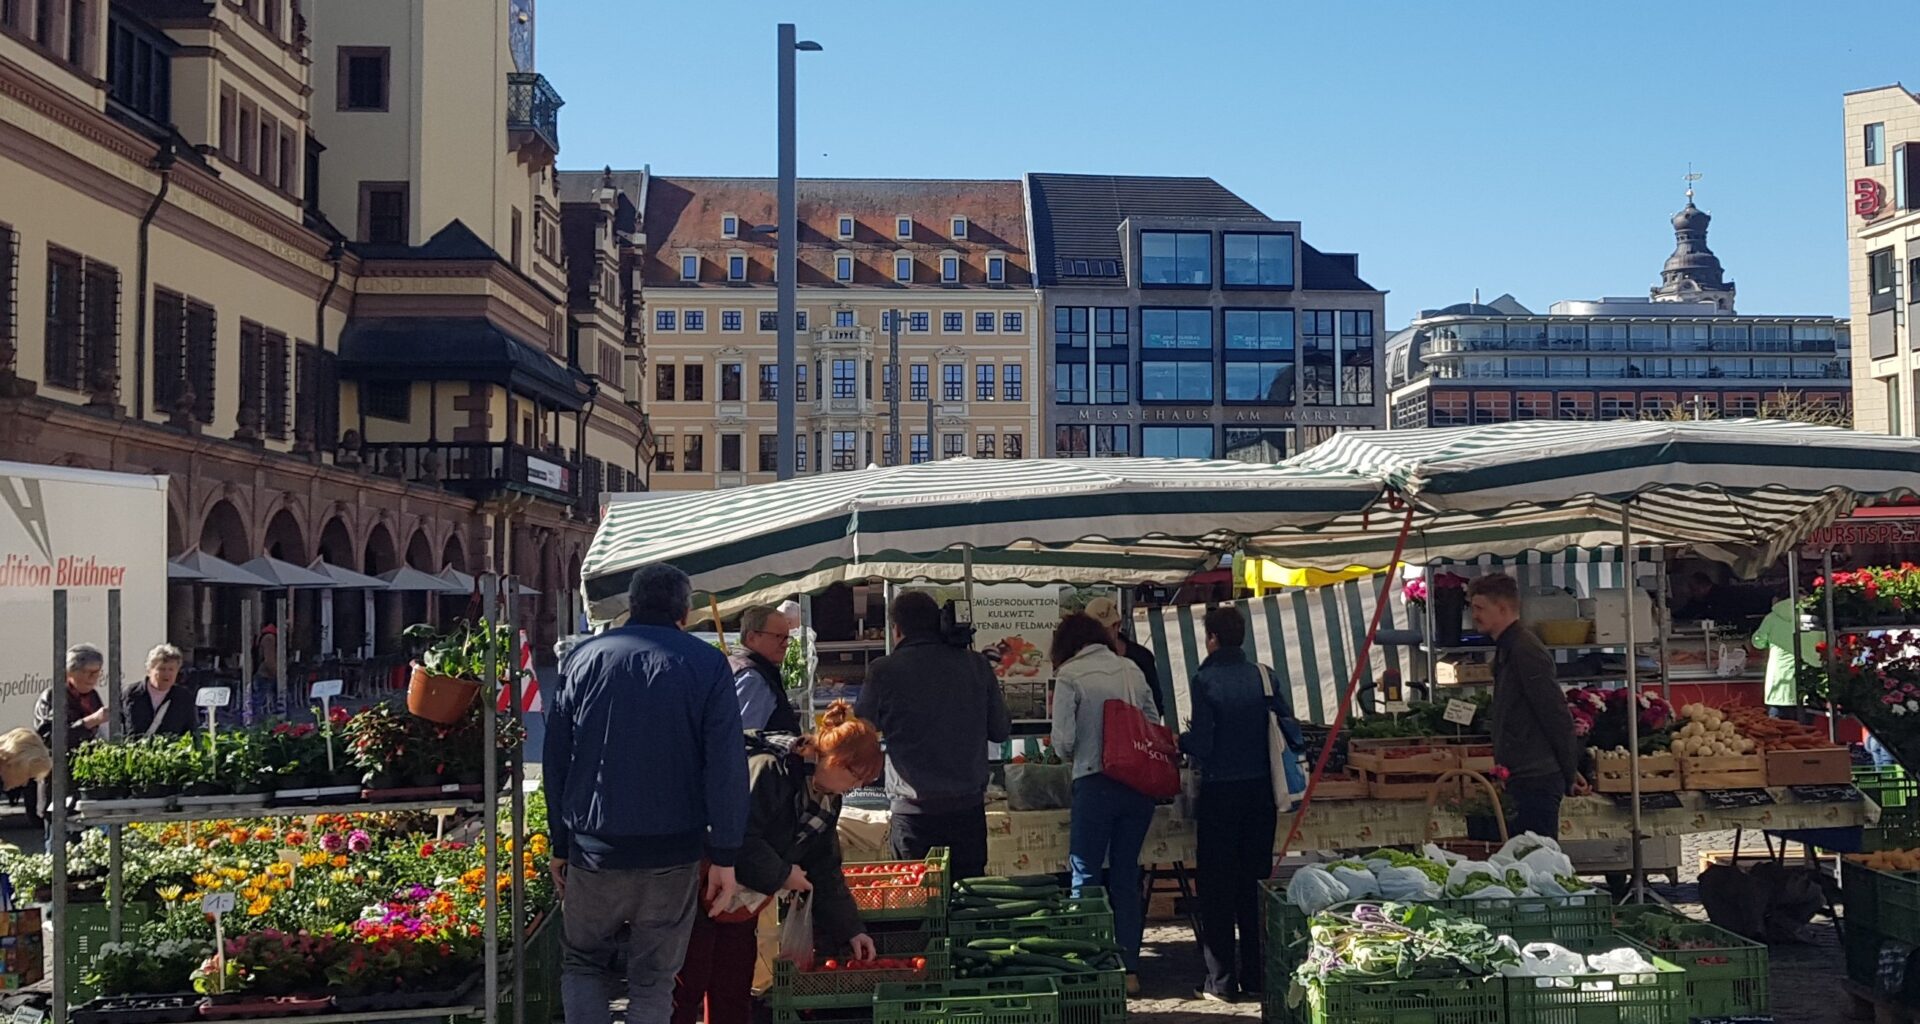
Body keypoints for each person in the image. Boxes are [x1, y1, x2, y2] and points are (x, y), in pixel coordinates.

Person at [546, 563, 751, 1024]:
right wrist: (725, 855)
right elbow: (725, 766)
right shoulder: (706, 664)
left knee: (582, 963)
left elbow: (558, 757)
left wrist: (560, 841)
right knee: (654, 978)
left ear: (632, 605)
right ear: (686, 611)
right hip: (672, 850)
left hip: (594, 848)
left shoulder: (584, 658)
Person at [673, 703, 882, 1024]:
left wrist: (852, 930)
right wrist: (783, 874)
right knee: (689, 981)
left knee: (733, 985)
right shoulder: (771, 768)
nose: (857, 787)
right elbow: (736, 834)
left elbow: (825, 867)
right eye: (856, 776)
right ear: (836, 760)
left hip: (745, 897)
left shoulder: (827, 798)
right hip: (701, 884)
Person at [1179, 606, 1304, 1003]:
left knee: (1216, 887)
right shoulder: (1264, 676)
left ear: (1212, 638)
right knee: (1254, 883)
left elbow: (1203, 744)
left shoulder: (1205, 680)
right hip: (1262, 792)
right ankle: (1256, 975)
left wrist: (1182, 741)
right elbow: (1289, 726)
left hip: (1220, 793)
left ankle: (1221, 981)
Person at [856, 591, 1010, 882]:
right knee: (967, 902)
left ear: (897, 629)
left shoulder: (884, 671)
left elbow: (860, 734)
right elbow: (1000, 731)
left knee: (918, 902)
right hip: (968, 809)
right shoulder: (976, 665)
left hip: (913, 813)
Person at [1050, 611, 1161, 996]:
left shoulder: (1069, 676)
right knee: (1126, 876)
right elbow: (1152, 721)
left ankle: (1092, 965)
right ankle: (1130, 969)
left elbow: (1062, 743)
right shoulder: (1131, 669)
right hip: (1138, 787)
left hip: (1095, 782)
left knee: (1086, 874)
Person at [1469, 573, 1585, 838]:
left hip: (1537, 777)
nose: (1474, 615)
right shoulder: (1507, 648)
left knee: (1539, 860)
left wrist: (1569, 771)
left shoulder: (1525, 649)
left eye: (1479, 608)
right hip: (1521, 774)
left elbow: (1554, 712)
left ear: (1502, 608)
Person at [1085, 596, 1165, 716]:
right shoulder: (1081, 662)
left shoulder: (1141, 657)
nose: (1097, 636)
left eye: (1103, 630)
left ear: (1117, 625)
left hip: (1133, 731)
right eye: (1092, 631)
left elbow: (1155, 704)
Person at [732, 605, 800, 734]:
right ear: (752, 638)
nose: (785, 644)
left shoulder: (736, 665)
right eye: (778, 637)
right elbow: (745, 738)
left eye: (787, 638)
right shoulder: (752, 678)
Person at [1751, 597, 1820, 721]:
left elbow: (1758, 643)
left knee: (1778, 734)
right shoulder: (1815, 617)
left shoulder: (1772, 618)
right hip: (1809, 683)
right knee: (1807, 734)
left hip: (1780, 686)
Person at [122, 644, 198, 737]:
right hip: (135, 750)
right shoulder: (130, 693)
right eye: (162, 669)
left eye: (171, 669)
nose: (167, 673)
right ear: (149, 670)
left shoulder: (184, 698)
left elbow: (191, 730)